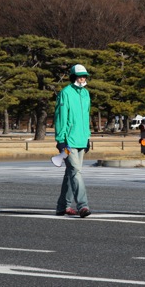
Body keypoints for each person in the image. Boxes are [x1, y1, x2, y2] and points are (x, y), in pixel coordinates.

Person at [54, 64, 92, 218]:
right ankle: (83, 206)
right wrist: (61, 140)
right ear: (73, 77)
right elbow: (60, 117)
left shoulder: (86, 94)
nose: (82, 78)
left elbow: (87, 116)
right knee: (76, 172)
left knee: (70, 173)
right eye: (79, 76)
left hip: (81, 139)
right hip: (68, 141)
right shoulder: (65, 93)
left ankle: (62, 207)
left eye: (84, 76)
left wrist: (87, 137)